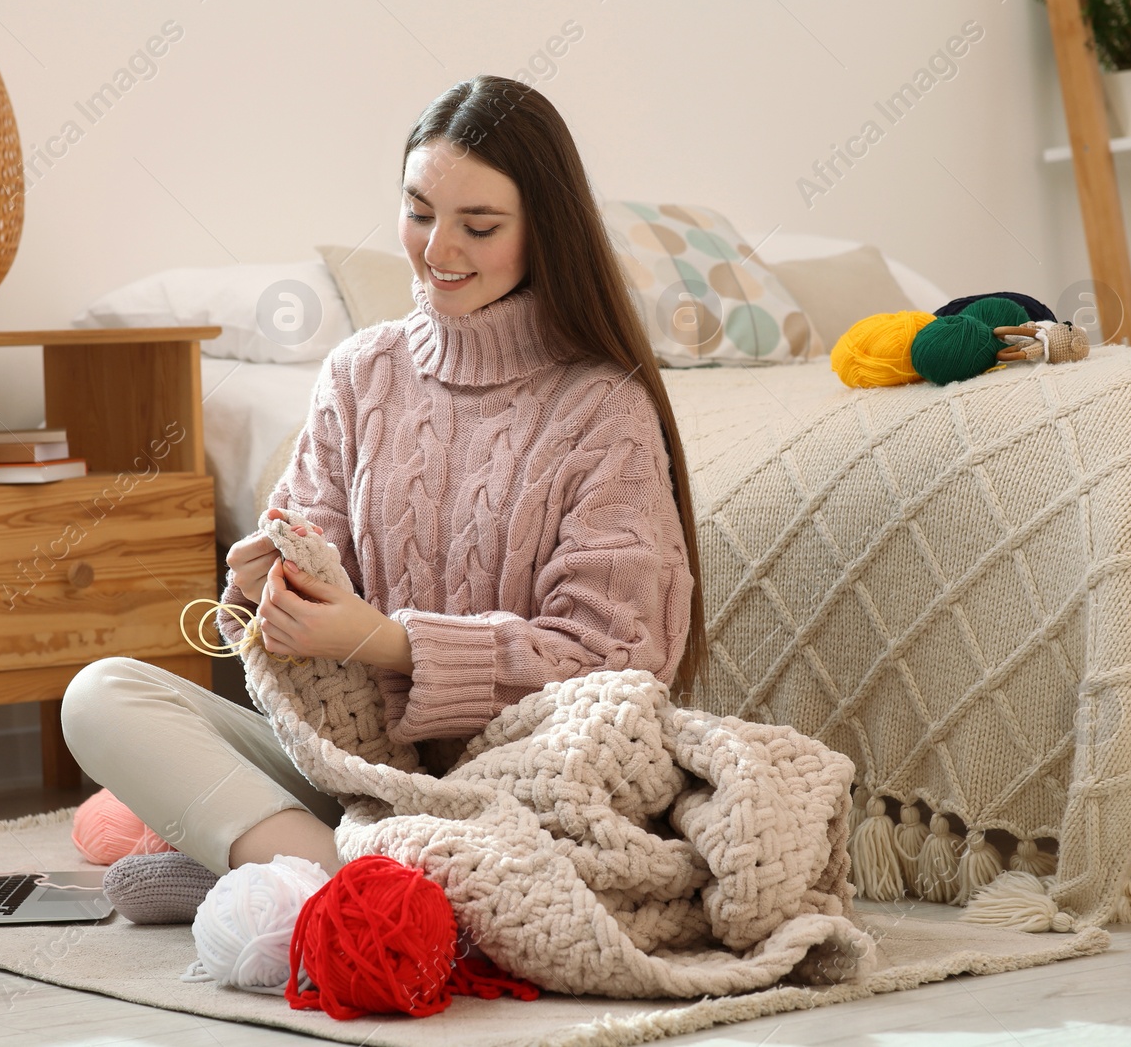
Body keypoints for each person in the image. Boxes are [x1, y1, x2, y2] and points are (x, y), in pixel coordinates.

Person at [60, 74, 707, 919]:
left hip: (523, 794)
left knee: (146, 812)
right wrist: (271, 588)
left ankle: (295, 873)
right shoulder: (360, 372)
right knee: (102, 696)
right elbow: (313, 561)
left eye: (479, 225)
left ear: (544, 231)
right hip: (356, 770)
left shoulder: (603, 406)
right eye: (418, 211)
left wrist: (387, 640)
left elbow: (615, 662)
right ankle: (370, 883)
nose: (438, 249)